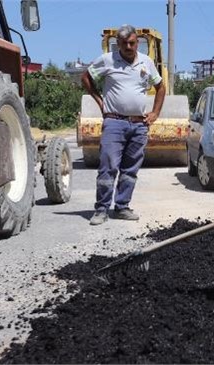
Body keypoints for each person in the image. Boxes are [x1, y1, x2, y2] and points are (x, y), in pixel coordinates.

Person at [82, 24, 165, 225]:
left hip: (138, 125)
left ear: (137, 43)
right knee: (108, 166)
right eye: (124, 43)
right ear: (117, 43)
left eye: (132, 43)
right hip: (114, 123)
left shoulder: (146, 62)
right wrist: (100, 101)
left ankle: (122, 207)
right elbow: (85, 77)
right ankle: (101, 209)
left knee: (130, 170)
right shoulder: (108, 60)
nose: (129, 46)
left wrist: (154, 113)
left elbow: (161, 87)